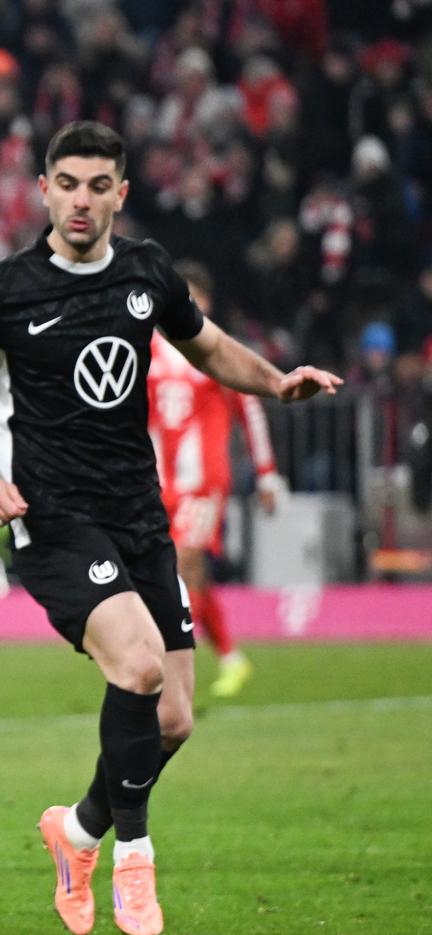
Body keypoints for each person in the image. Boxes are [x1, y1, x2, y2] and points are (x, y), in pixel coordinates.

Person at [0, 121, 340, 935]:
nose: (81, 200)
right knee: (138, 668)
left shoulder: (146, 273)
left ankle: (75, 833)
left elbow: (207, 347)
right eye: (66, 183)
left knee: (174, 719)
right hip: (54, 521)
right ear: (43, 189)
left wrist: (276, 381)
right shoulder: (0, 290)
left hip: (140, 516)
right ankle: (134, 859)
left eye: (97, 185)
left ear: (121, 194)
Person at [144, 262, 283, 698]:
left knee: (184, 567)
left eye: (195, 296)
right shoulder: (144, 350)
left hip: (204, 482)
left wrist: (266, 473)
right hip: (158, 484)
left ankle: (164, 667)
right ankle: (231, 658)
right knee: (189, 577)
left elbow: (251, 411)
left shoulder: (217, 350)